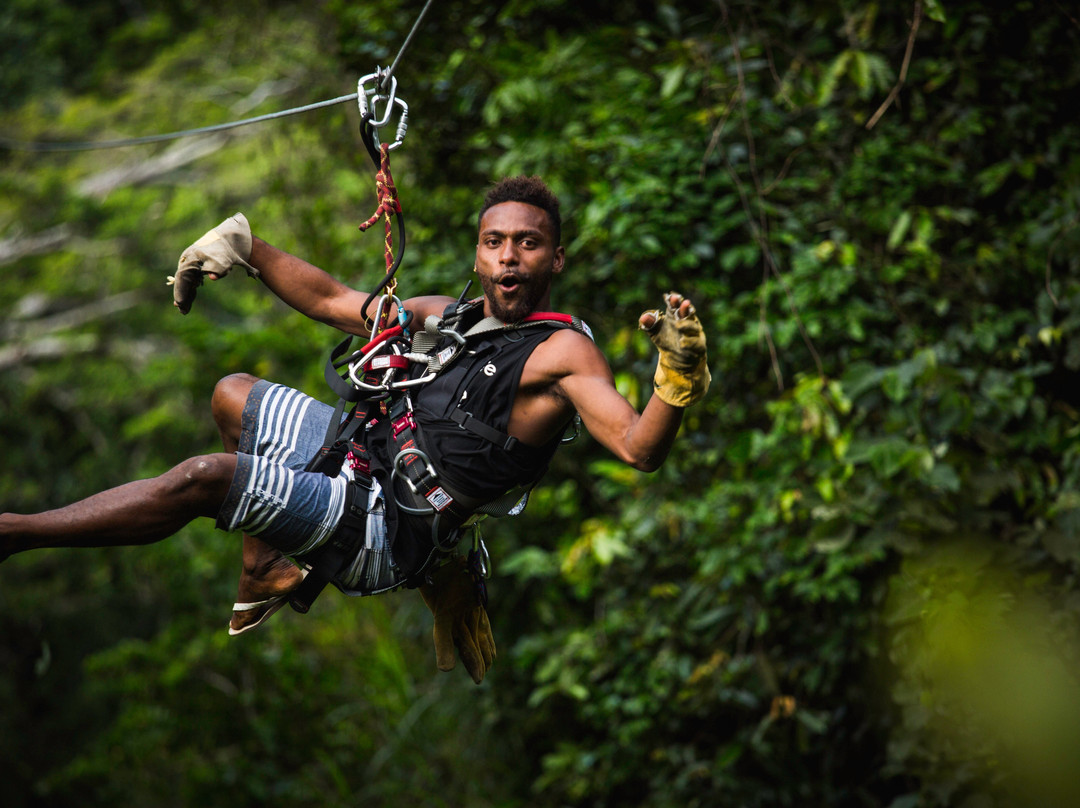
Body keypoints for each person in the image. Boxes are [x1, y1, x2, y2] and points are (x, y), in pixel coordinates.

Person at [0, 176, 710, 683]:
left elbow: (638, 448)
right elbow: (337, 300)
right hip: (355, 456)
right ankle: (266, 562)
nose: (508, 257)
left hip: (383, 528)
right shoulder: (453, 318)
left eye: (528, 245)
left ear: (555, 260)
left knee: (203, 479)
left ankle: (16, 533)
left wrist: (674, 379)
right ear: (478, 255)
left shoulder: (562, 353)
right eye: (495, 242)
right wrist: (246, 247)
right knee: (231, 396)